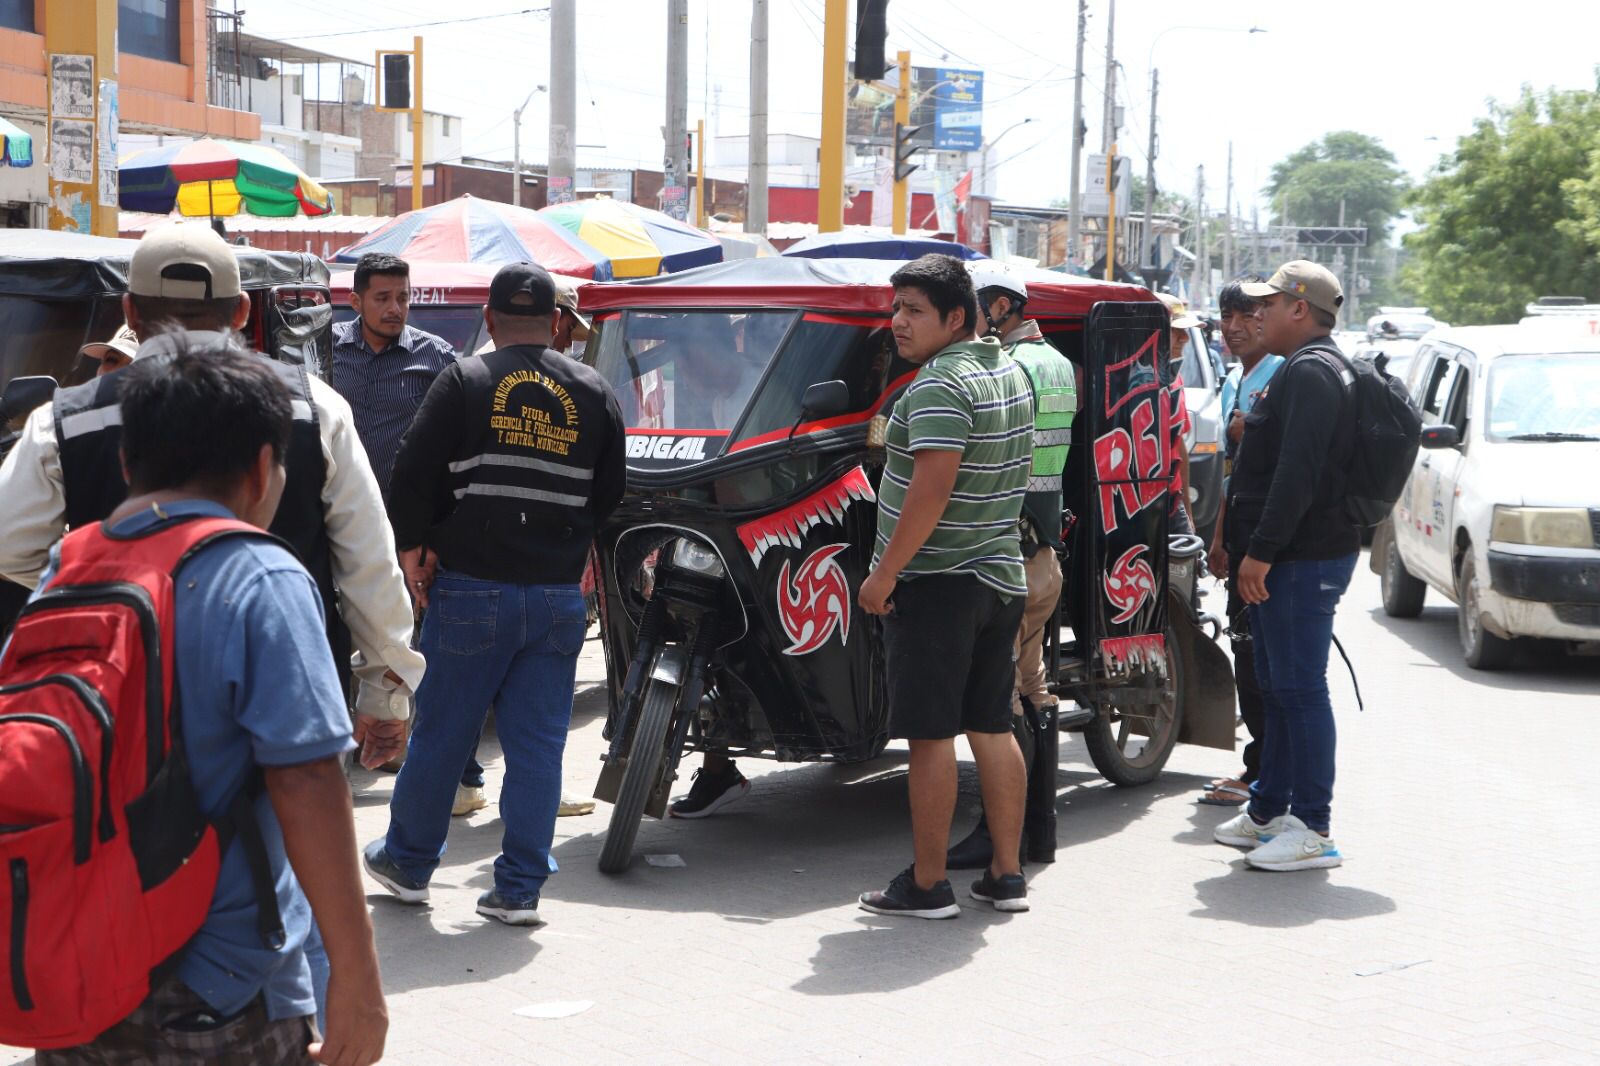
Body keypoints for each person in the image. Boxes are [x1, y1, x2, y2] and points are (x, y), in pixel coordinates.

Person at [34, 338, 385, 1066]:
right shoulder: (259, 574)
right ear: (263, 467)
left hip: (72, 961)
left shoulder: (66, 566)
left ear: (129, 463)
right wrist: (356, 981)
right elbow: (308, 780)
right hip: (212, 982)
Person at [0, 220, 422, 770]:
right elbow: (367, 562)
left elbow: (10, 544)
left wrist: (97, 589)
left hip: (123, 703)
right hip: (284, 706)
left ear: (129, 312)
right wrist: (385, 691)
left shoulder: (66, 420)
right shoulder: (312, 407)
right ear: (243, 310)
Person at [363, 262, 626, 926]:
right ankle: (519, 889)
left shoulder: (467, 378)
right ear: (558, 323)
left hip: (470, 591)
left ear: (488, 318)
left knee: (446, 735)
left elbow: (411, 470)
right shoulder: (594, 390)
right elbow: (611, 495)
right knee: (539, 745)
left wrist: (414, 546)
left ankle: (408, 862)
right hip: (556, 599)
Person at [856, 254, 1033, 918]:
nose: (897, 322)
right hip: (997, 576)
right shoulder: (1006, 370)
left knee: (931, 735)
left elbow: (930, 491)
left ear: (955, 318)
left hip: (937, 583)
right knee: (991, 726)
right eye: (895, 307)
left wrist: (884, 573)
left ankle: (929, 885)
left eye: (913, 311)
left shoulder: (936, 386)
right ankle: (1006, 874)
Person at [1212, 260, 1358, 872]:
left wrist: (1260, 554)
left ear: (1299, 310)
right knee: (1275, 687)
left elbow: (1295, 476)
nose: (1255, 316)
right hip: (1286, 556)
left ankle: (1315, 829)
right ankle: (1269, 809)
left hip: (1301, 558)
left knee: (1299, 690)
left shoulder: (1313, 373)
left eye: (1266, 305)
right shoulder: (1300, 370)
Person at [331, 252, 488, 802]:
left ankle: (459, 775)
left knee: (417, 649)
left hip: (404, 530)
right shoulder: (327, 354)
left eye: (403, 297)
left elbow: (456, 449)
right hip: (336, 522)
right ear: (355, 301)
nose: (396, 308)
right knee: (339, 639)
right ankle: (343, 753)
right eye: (382, 298)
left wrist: (430, 533)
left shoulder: (436, 358)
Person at [945, 263, 1084, 871]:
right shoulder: (1056, 363)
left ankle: (1002, 834)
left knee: (1000, 703)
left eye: (972, 307)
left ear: (1000, 307)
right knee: (1031, 692)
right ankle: (1040, 835)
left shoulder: (1009, 369)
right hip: (1042, 552)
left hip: (1008, 553)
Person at [1201, 277, 1285, 807]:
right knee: (1246, 657)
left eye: (1246, 315)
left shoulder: (1284, 374)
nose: (1233, 327)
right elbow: (1233, 474)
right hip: (1240, 532)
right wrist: (1218, 535)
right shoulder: (1236, 377)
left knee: (1267, 666)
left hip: (1270, 543)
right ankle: (1260, 766)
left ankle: (1267, 774)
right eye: (1226, 316)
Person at [1157, 293, 1197, 536]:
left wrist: (1187, 511)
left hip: (1172, 503)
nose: (1185, 338)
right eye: (1176, 331)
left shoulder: (1175, 380)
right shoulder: (1126, 383)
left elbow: (1178, 444)